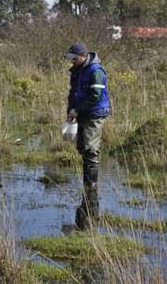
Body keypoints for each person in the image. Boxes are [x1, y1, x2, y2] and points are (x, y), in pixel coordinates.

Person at [65, 42, 111, 229]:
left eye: (75, 58)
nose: (73, 61)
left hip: (95, 114)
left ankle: (91, 186)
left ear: (83, 56)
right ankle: (87, 182)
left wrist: (78, 109)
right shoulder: (77, 70)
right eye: (71, 59)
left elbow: (95, 96)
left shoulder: (95, 71)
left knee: (91, 150)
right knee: (82, 147)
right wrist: (70, 110)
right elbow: (73, 92)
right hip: (80, 113)